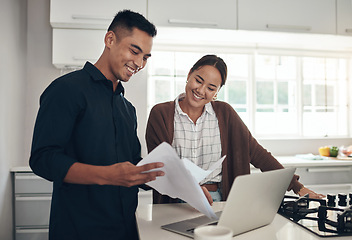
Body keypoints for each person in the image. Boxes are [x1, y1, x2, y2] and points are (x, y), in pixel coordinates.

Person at [29, 10, 164, 240]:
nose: (139, 63)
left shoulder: (127, 109)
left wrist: (181, 184)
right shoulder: (66, 90)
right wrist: (108, 175)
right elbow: (43, 159)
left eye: (146, 57)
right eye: (135, 51)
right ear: (110, 40)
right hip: (78, 231)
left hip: (126, 230)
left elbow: (133, 166)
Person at [145, 54, 325, 205]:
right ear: (190, 74)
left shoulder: (225, 114)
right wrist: (190, 189)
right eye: (198, 80)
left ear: (217, 91)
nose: (201, 90)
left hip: (218, 200)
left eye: (211, 87)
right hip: (176, 201)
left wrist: (297, 187)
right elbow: (160, 167)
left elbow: (258, 154)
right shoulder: (161, 114)